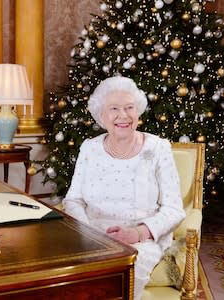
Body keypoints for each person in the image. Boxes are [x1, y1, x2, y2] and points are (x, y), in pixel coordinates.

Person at [62, 76, 185, 300]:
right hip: (92, 236)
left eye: (130, 108)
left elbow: (174, 209)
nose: (123, 115)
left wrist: (136, 233)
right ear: (102, 115)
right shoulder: (89, 149)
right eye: (114, 108)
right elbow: (74, 200)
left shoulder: (158, 148)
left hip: (140, 241)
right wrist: (89, 233)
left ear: (138, 112)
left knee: (119, 279)